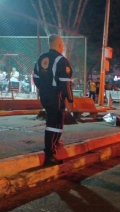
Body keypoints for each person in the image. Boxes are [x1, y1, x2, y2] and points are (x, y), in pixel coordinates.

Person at [33, 34, 75, 166]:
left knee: (57, 118)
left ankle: (54, 142)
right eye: (62, 45)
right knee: (53, 122)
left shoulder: (41, 58)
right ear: (60, 45)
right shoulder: (61, 60)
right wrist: (70, 100)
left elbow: (35, 77)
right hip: (56, 95)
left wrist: (43, 89)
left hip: (45, 95)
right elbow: (66, 84)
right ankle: (49, 154)